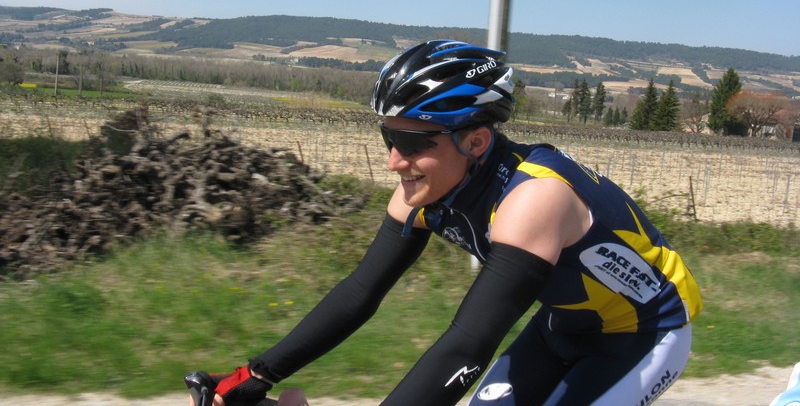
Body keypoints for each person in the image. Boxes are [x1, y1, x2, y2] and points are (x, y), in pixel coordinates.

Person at [191, 39, 703, 406]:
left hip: (644, 335)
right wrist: (255, 374)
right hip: (559, 327)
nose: (394, 162)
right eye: (388, 139)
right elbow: (360, 292)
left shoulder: (535, 198)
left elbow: (469, 342)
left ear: (476, 141)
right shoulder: (423, 189)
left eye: (412, 144)